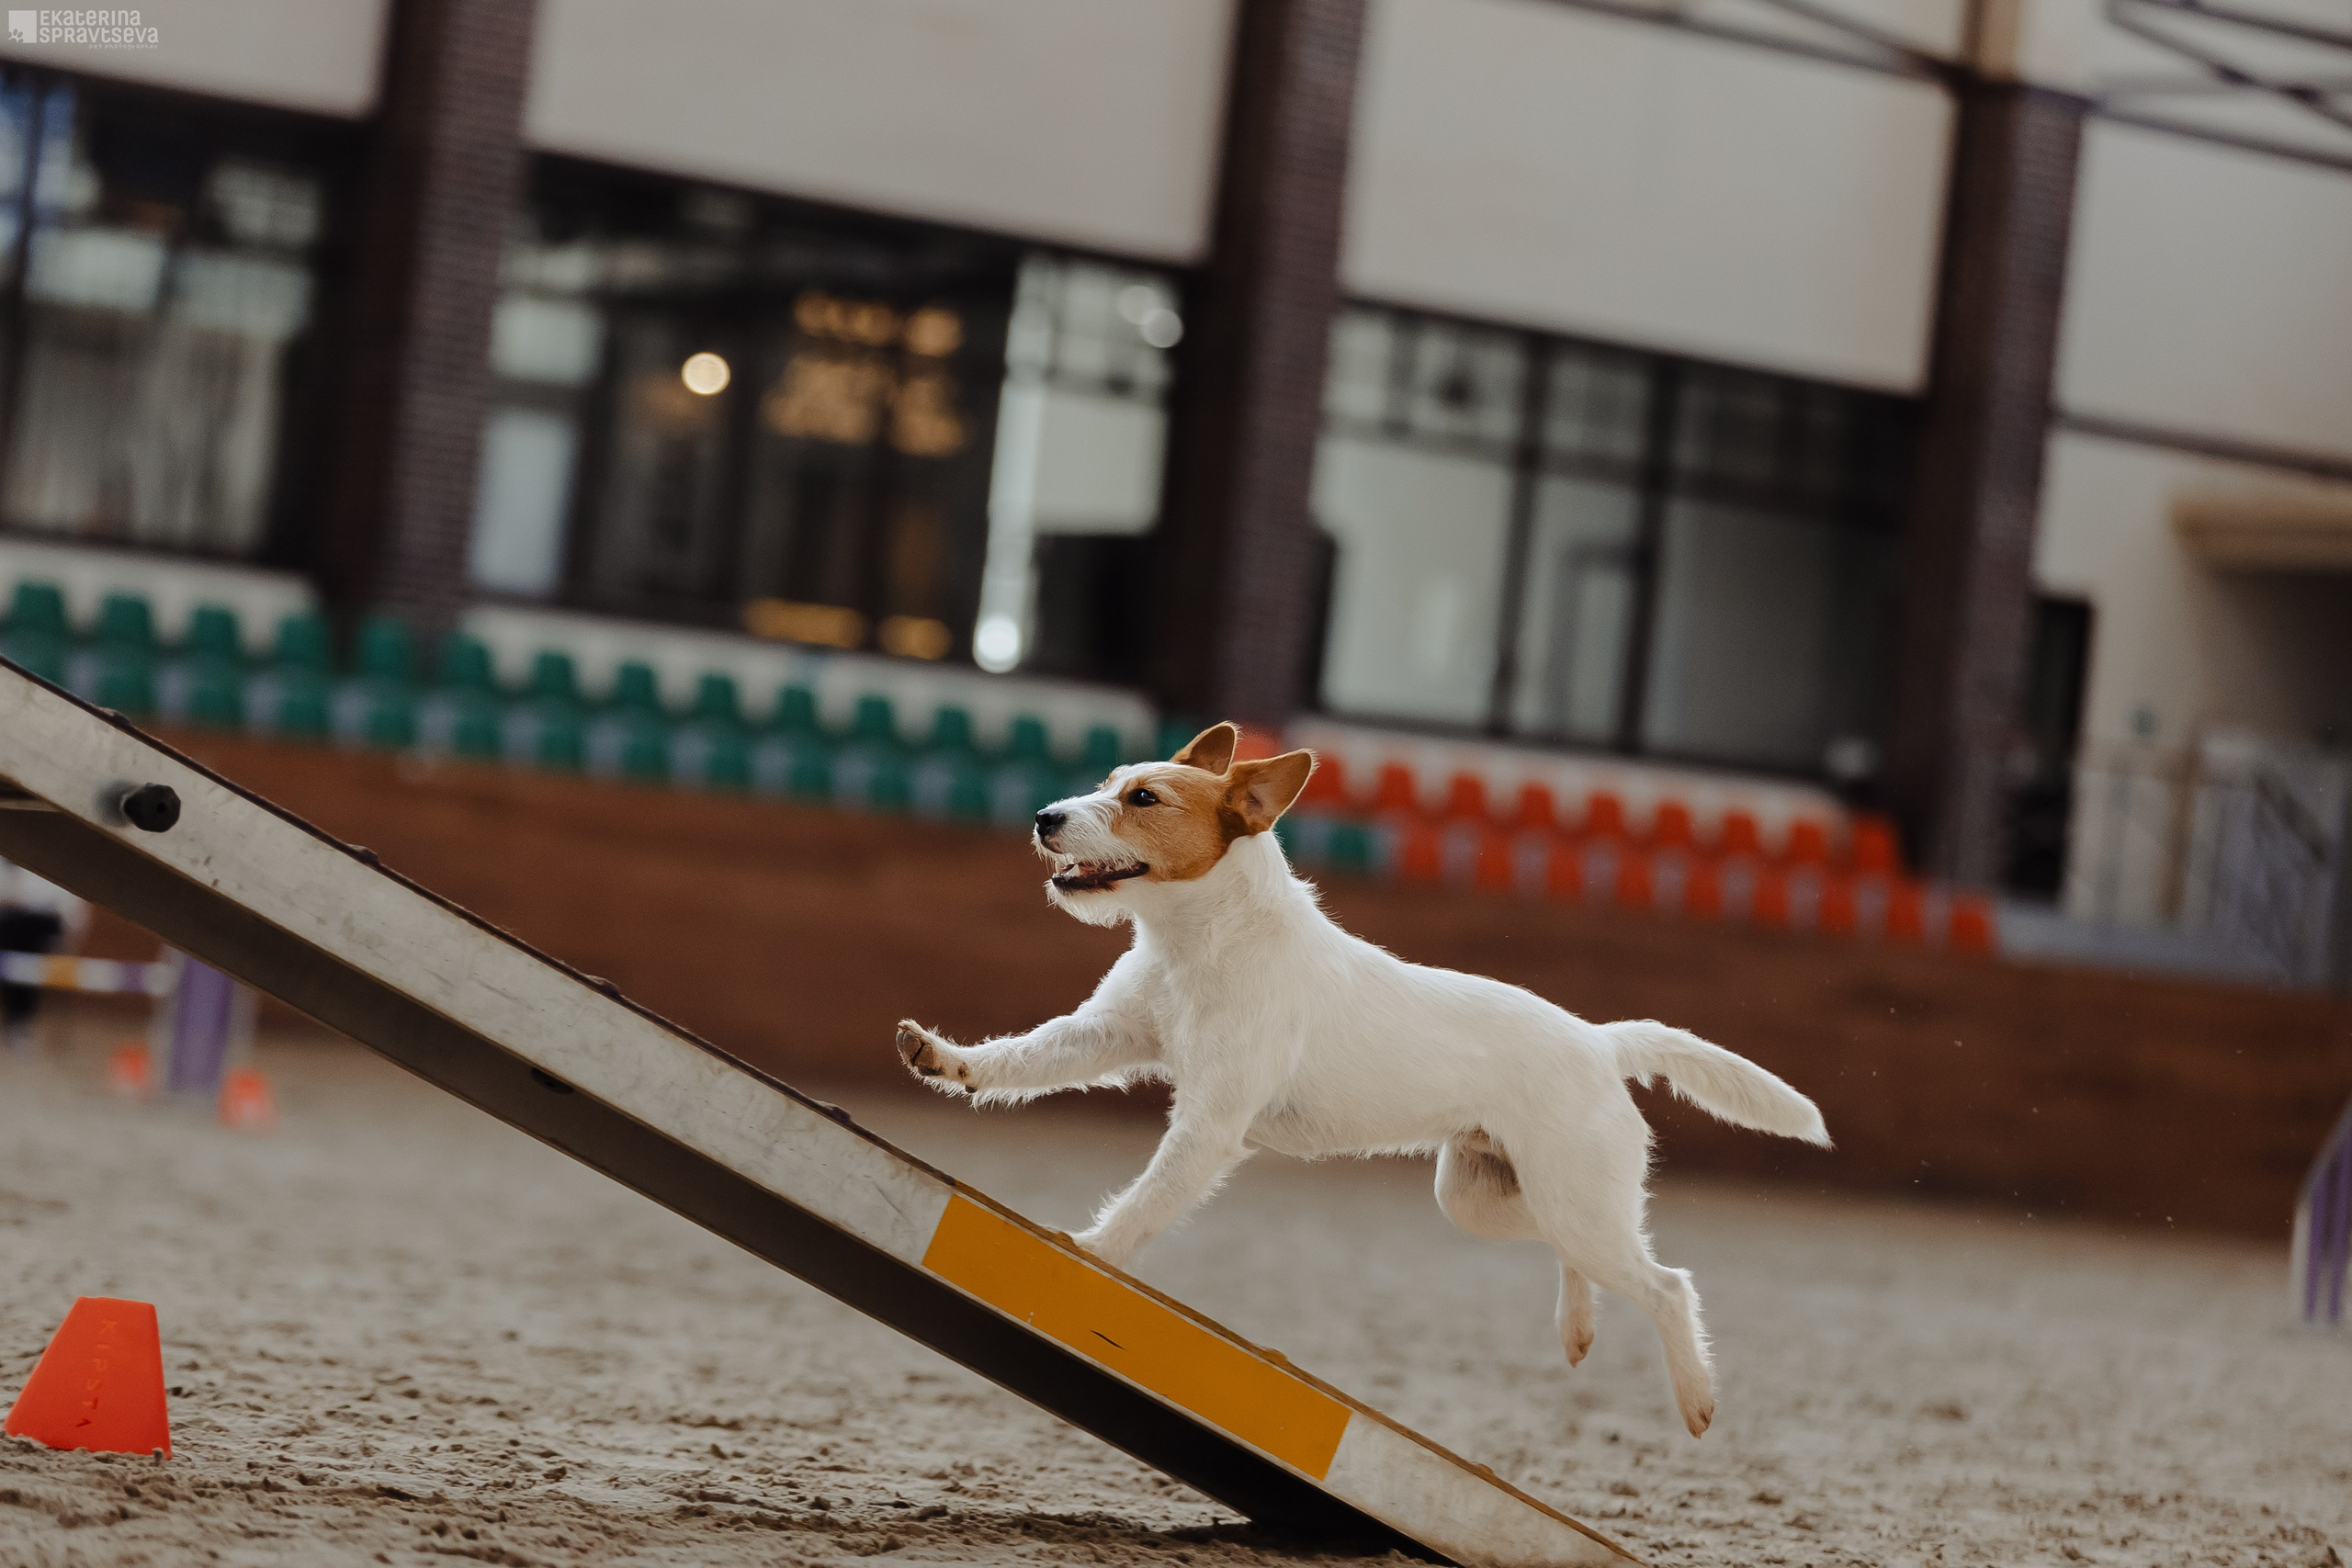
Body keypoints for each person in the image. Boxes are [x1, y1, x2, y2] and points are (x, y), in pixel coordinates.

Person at [0, 857, 87, 1050]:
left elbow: (73, 911)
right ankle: (19, 1019)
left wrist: (68, 939)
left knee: (21, 940)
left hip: (42, 927)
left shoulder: (60, 865)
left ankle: (19, 1019)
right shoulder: (8, 858)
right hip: (14, 926)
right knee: (15, 937)